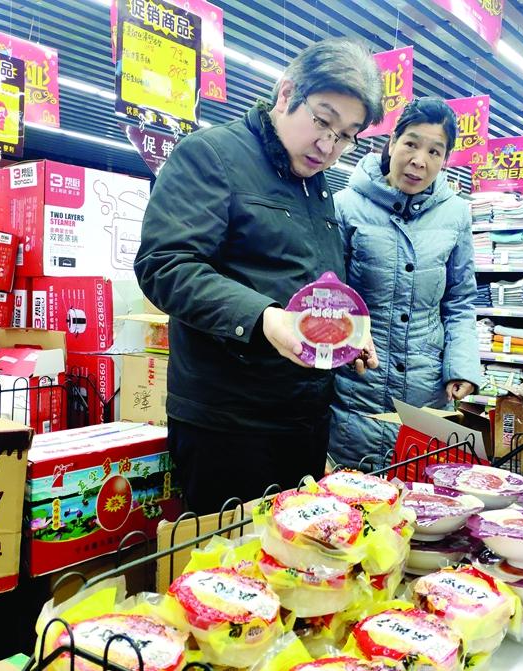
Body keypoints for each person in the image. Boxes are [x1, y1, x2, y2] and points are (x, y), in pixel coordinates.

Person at [134, 39, 383, 514]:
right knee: (230, 553)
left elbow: (310, 280)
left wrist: (346, 330)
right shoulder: (210, 155)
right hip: (229, 424)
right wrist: (264, 318)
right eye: (323, 120)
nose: (329, 146)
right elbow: (165, 264)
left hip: (304, 418)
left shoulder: (316, 186)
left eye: (347, 135)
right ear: (286, 93)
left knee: (297, 549)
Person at [328, 97, 482, 467]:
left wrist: (461, 366)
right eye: (411, 143)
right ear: (392, 141)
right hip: (358, 386)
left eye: (434, 151)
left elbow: (459, 301)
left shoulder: (455, 214)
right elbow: (330, 295)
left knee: (423, 493)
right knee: (355, 493)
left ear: (445, 159)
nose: (419, 160)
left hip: (426, 391)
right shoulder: (345, 206)